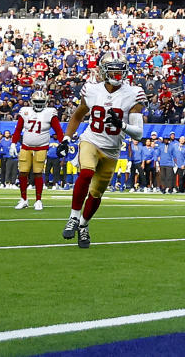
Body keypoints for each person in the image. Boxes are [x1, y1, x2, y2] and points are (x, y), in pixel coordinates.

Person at [61, 53, 147, 248]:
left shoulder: (134, 93)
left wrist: (122, 125)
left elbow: (139, 134)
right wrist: (67, 138)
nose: (117, 74)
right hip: (90, 140)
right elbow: (77, 116)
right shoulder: (91, 90)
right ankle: (73, 217)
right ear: (103, 70)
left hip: (112, 150)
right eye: (113, 70)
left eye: (120, 70)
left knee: (96, 193)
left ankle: (83, 225)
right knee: (86, 172)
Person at [11, 89, 64, 211]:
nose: (39, 104)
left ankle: (38, 200)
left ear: (45, 102)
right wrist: (13, 143)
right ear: (31, 101)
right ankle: (23, 199)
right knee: (23, 172)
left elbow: (58, 130)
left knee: (38, 173)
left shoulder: (50, 112)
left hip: (41, 147)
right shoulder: (25, 111)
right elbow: (18, 129)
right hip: (26, 146)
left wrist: (63, 143)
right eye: (37, 101)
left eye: (41, 101)